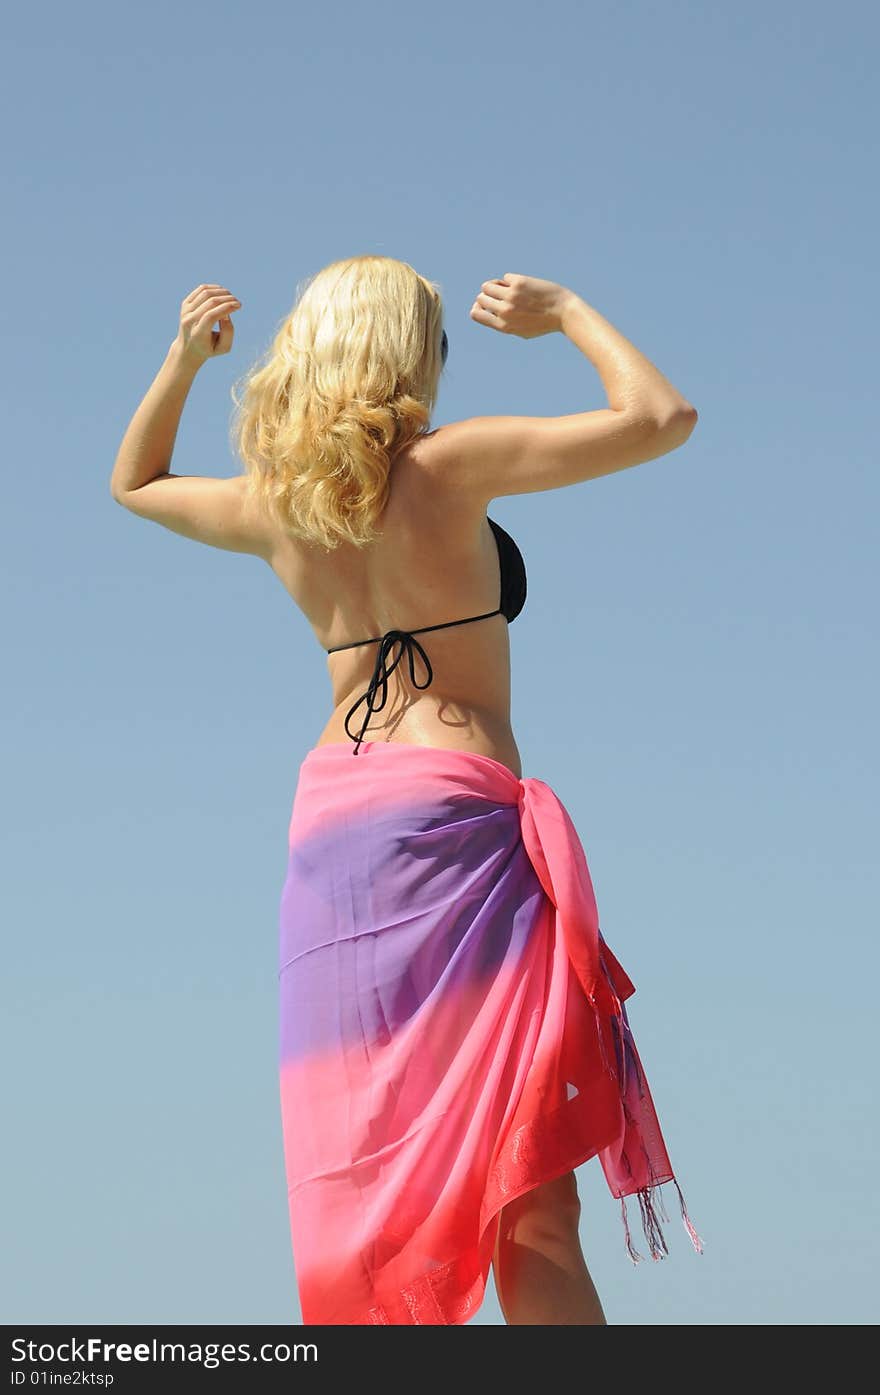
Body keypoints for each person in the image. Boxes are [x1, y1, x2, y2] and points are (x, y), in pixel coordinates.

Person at [110, 258, 702, 1326]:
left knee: (375, 1190)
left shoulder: (276, 506)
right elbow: (661, 417)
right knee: (528, 1193)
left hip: (332, 835)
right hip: (449, 821)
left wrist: (181, 364)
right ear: (404, 352)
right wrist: (566, 311)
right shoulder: (451, 464)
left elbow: (136, 484)